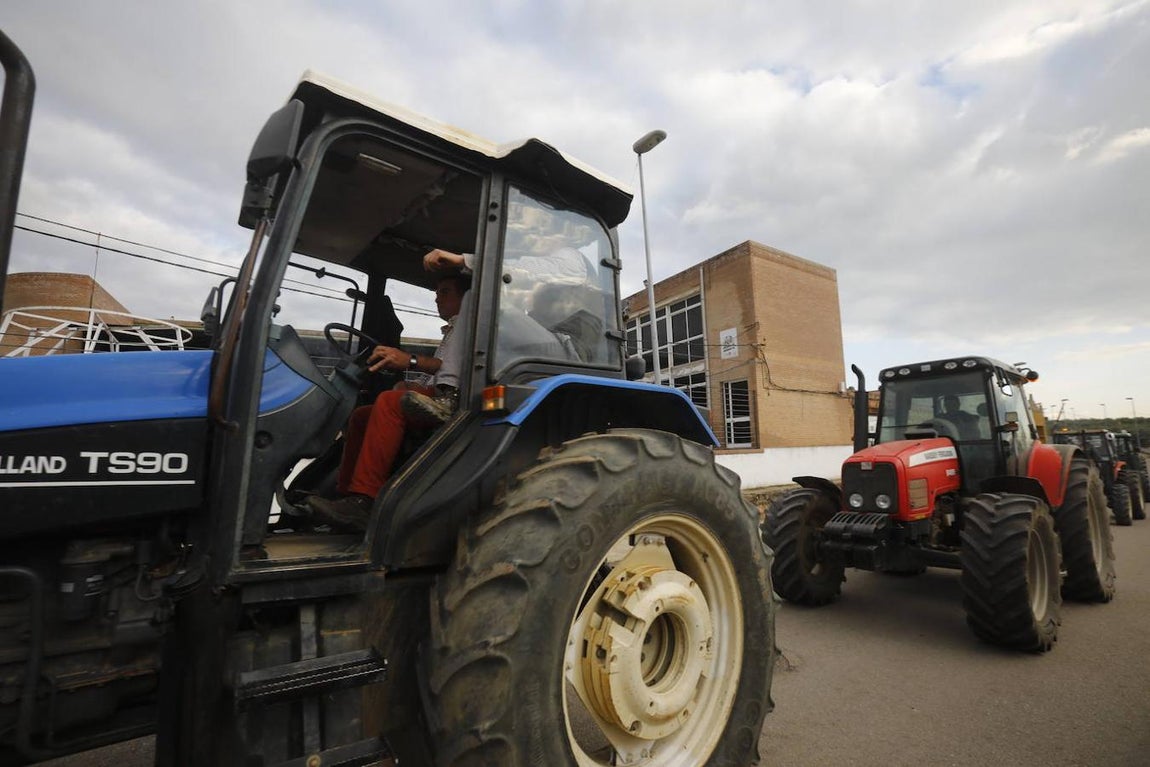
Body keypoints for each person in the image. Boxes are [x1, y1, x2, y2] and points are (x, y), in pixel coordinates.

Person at [306, 261, 470, 532]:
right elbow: (438, 371)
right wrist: (411, 384)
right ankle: (347, 494)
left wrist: (409, 360)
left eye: (444, 291)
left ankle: (365, 501)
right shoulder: (452, 330)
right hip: (435, 391)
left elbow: (448, 372)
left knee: (388, 403)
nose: (436, 298)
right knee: (360, 416)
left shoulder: (468, 326)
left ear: (467, 298)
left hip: (453, 400)